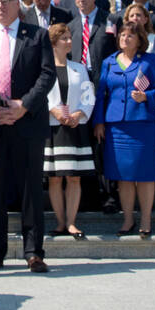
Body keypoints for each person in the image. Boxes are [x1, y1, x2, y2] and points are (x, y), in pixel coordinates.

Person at [0, 0, 56, 273]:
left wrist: (24, 106)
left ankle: (33, 251)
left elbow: (47, 74)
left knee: (30, 188)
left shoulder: (37, 35)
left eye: (5, 1)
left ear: (17, 3)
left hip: (28, 123)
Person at [95, 20, 155, 237]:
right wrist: (99, 122)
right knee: (123, 175)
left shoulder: (149, 61)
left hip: (142, 124)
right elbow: (101, 95)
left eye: (130, 36)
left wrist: (147, 96)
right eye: (122, 35)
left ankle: (145, 219)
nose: (125, 39)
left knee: (144, 175)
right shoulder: (109, 62)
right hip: (116, 126)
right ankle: (127, 220)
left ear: (139, 40)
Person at [44, 23, 96, 238]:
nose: (69, 41)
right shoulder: (43, 68)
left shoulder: (80, 68)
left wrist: (78, 115)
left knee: (74, 177)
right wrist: (53, 111)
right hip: (53, 128)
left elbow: (88, 96)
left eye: (69, 37)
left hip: (75, 127)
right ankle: (60, 222)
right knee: (55, 178)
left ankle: (72, 222)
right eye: (64, 38)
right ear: (54, 42)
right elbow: (40, 95)